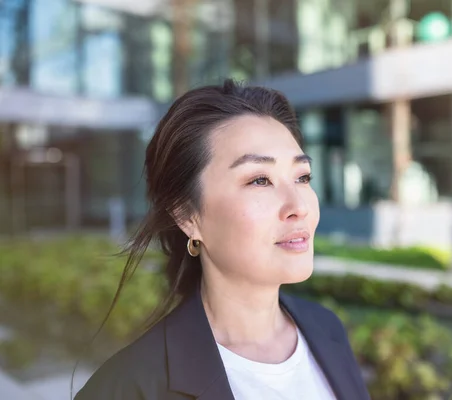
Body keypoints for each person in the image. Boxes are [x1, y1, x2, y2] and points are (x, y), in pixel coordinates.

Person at [74, 80, 371, 400]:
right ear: (188, 216)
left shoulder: (326, 329)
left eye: (302, 177)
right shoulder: (129, 387)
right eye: (260, 180)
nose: (299, 206)